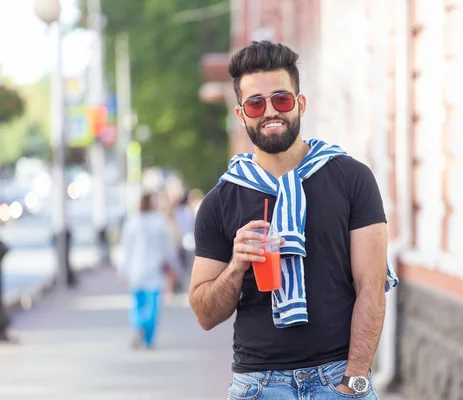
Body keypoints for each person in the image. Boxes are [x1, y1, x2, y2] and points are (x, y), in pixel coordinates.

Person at [189, 40, 399, 399]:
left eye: (281, 100)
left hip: (339, 378)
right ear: (241, 115)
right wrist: (237, 265)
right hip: (259, 385)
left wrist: (355, 381)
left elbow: (371, 287)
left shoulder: (351, 179)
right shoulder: (221, 202)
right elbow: (205, 314)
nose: (270, 111)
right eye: (256, 103)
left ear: (300, 104)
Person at [119, 192, 181, 349]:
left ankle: (138, 326)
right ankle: (148, 337)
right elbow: (167, 249)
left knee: (137, 304)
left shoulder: (132, 222)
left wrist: (123, 270)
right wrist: (175, 267)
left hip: (135, 269)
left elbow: (126, 249)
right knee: (152, 306)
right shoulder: (160, 222)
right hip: (154, 269)